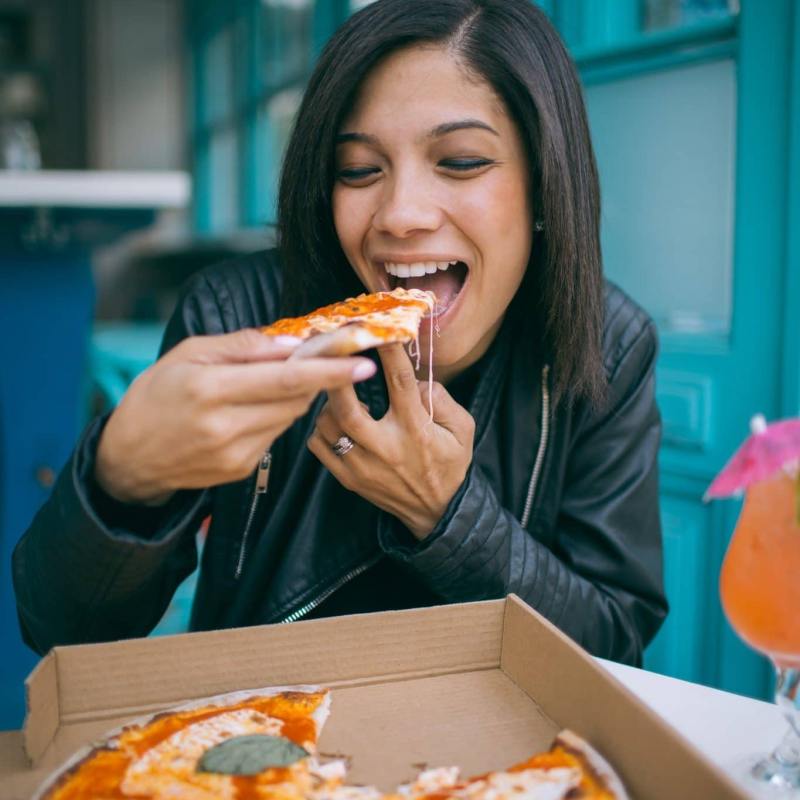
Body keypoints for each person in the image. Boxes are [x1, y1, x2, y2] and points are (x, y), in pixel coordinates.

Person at [12, 0, 666, 665]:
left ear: (546, 188)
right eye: (358, 170)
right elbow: (59, 629)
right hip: (257, 743)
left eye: (462, 161)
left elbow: (614, 646)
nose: (401, 214)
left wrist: (453, 517)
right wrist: (122, 477)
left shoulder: (609, 346)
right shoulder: (241, 315)